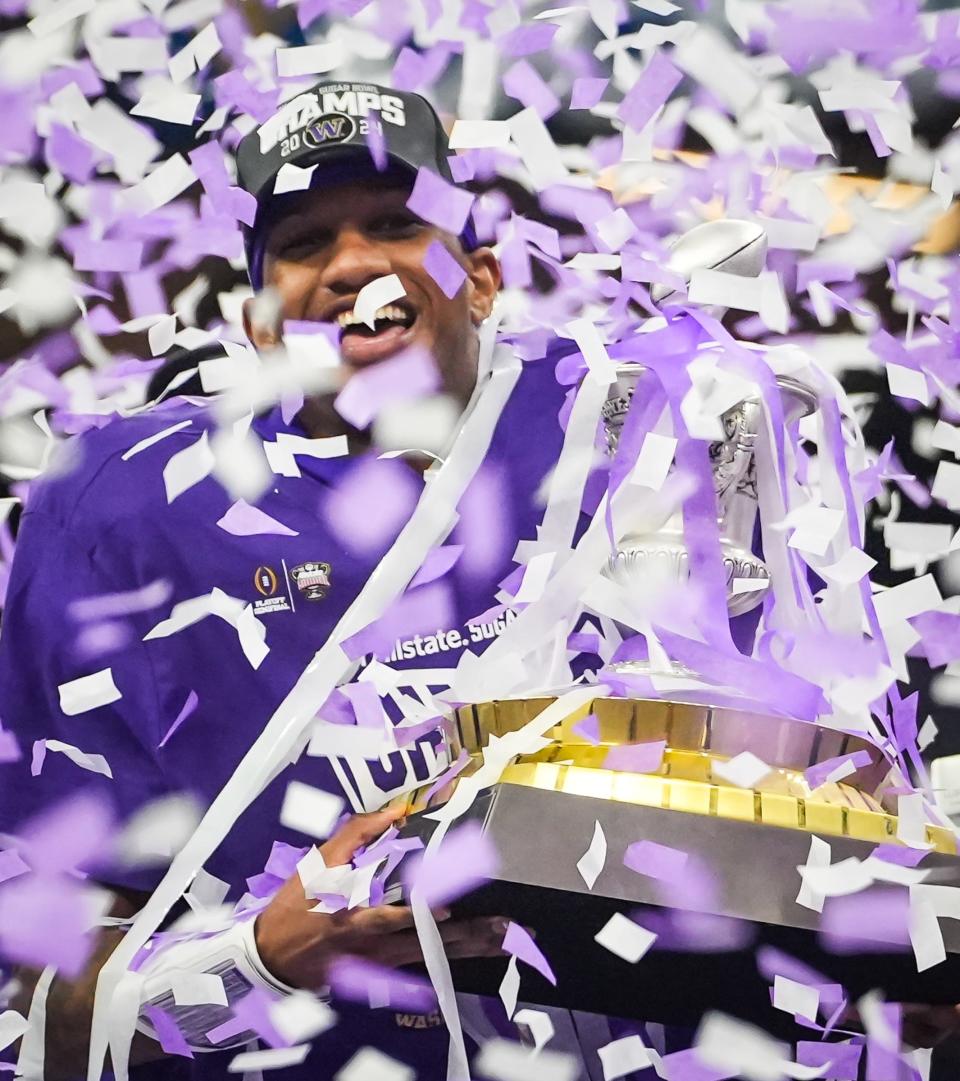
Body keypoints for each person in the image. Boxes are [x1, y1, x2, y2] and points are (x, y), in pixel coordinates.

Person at [0, 80, 645, 1080]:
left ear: (480, 278)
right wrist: (259, 962)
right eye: (304, 244)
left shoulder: (630, 436)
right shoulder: (123, 513)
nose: (354, 264)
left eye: (395, 223)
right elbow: (45, 999)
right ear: (261, 323)